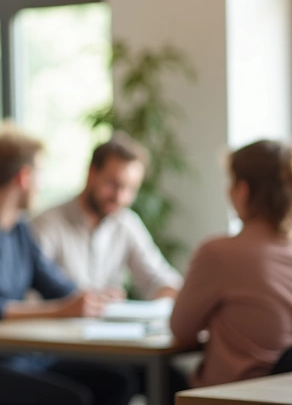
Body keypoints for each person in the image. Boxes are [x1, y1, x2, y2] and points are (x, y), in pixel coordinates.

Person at [0, 127, 136, 405]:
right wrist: (61, 311)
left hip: (20, 356)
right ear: (24, 177)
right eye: (40, 174)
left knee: (119, 381)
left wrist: (91, 298)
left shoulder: (20, 231)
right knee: (71, 399)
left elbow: (55, 286)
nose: (42, 184)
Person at [170, 139, 292, 386]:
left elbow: (181, 330)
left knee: (157, 380)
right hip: (279, 394)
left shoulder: (219, 254)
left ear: (242, 190)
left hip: (229, 394)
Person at [32, 133, 182, 300]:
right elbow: (31, 292)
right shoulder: (47, 224)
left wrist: (181, 293)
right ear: (91, 173)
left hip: (107, 325)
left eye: (130, 189)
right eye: (113, 184)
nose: (120, 197)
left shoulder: (127, 224)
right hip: (57, 325)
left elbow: (159, 278)